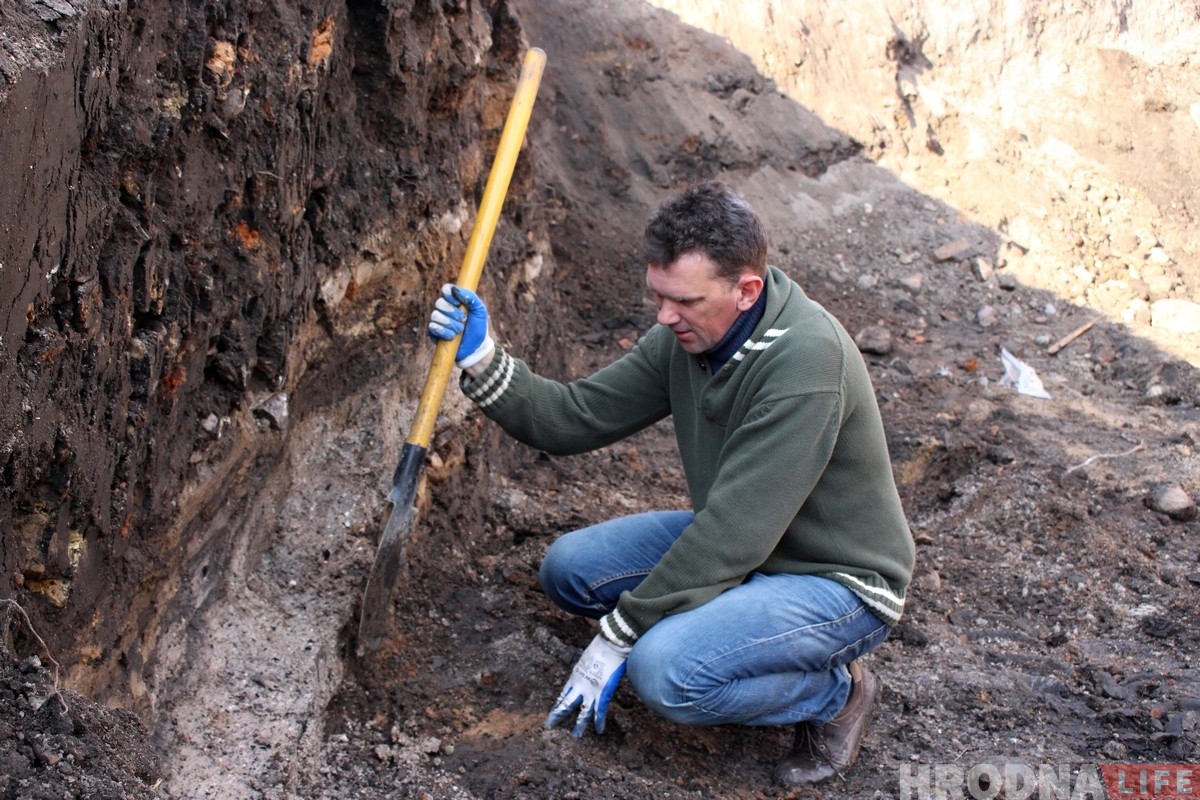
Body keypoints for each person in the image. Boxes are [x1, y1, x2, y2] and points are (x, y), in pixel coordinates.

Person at [427, 180, 915, 786]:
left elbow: (734, 533)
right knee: (570, 568)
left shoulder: (806, 365)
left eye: (683, 300)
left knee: (664, 673)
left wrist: (619, 636)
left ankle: (834, 694)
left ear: (746, 291)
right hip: (752, 550)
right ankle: (726, 626)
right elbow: (575, 416)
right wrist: (480, 358)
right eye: (657, 296)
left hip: (834, 579)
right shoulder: (689, 337)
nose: (663, 317)